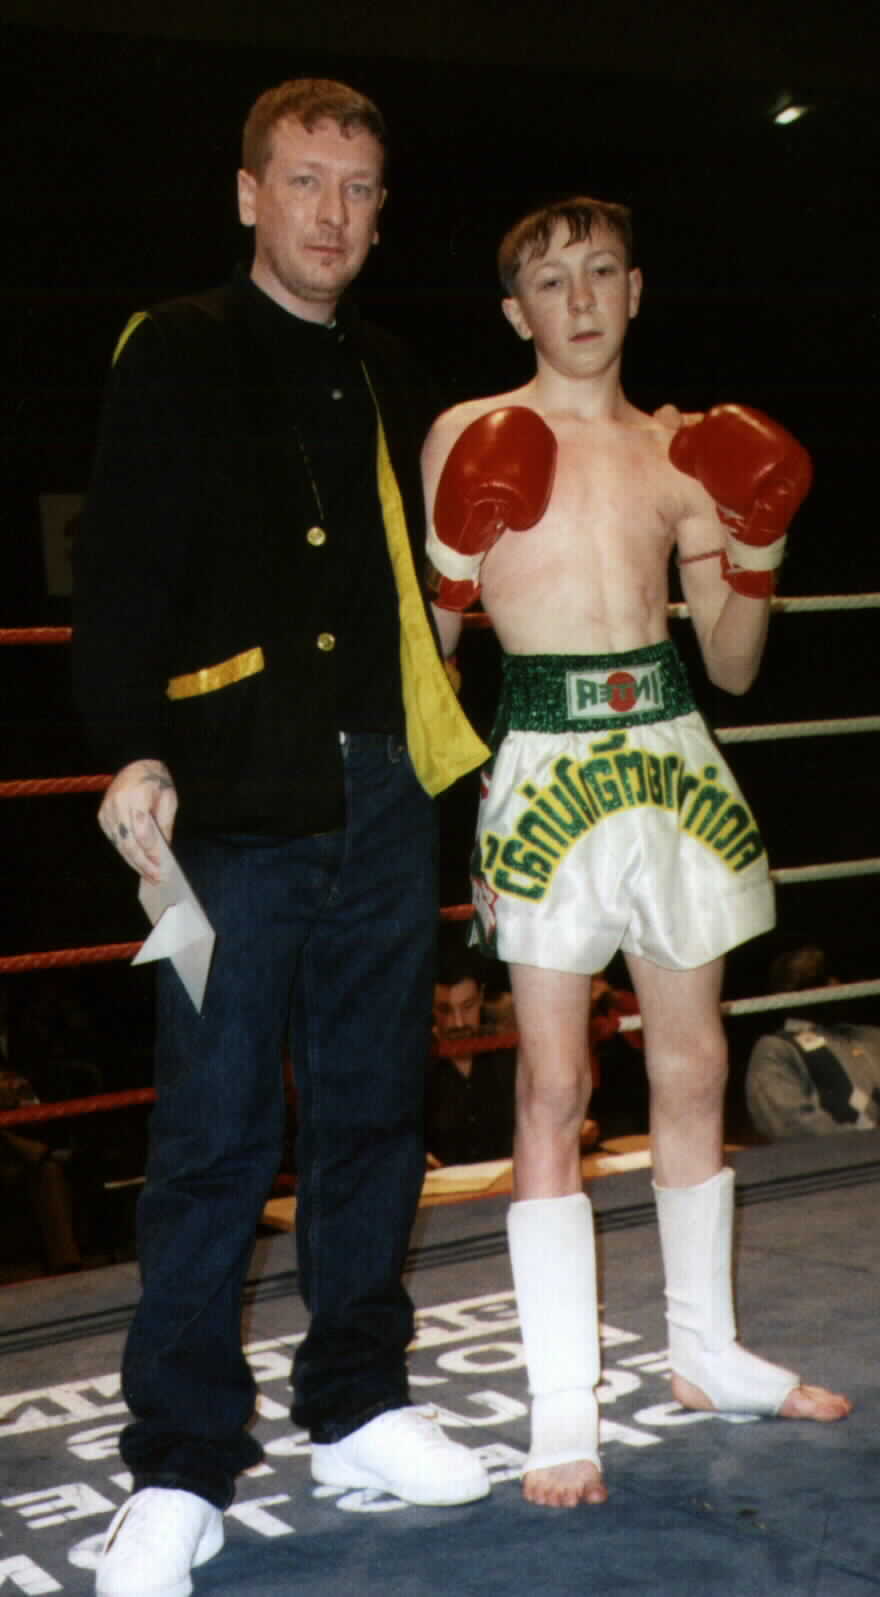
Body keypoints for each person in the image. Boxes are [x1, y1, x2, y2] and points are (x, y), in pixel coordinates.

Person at [73, 78, 491, 1597]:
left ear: (380, 212)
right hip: (233, 795)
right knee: (213, 1137)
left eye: (358, 188)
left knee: (377, 1114)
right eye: (305, 181)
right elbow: (119, 571)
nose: (331, 212)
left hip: (387, 792)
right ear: (249, 193)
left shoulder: (391, 367)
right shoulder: (175, 348)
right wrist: (130, 748)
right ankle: (178, 1464)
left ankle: (360, 1401)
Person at [421, 195, 850, 1510]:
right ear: (516, 311)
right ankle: (563, 1405)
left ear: (637, 288)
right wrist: (450, 570)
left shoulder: (680, 453)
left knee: (697, 1057)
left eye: (603, 271)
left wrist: (759, 539)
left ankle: (707, 1350)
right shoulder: (467, 434)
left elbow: (729, 660)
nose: (583, 297)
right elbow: (433, 663)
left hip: (668, 743)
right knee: (554, 1083)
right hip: (545, 748)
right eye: (553, 281)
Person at [746, 945, 880, 1138]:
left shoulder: (871, 1036)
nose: (835, 986)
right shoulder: (776, 1049)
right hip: (845, 1160)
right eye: (819, 982)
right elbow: (790, 1125)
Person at [426, 941, 516, 1166]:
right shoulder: (414, 1067)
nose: (458, 1023)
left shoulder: (507, 1051)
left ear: (482, 996)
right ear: (428, 1005)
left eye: (467, 1006)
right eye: (445, 1010)